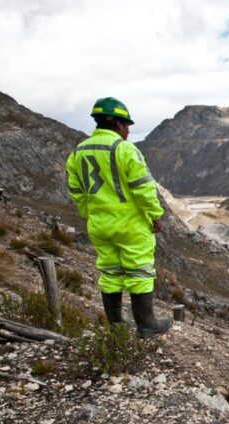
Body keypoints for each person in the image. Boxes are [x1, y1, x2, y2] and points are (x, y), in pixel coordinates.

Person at [66, 97, 172, 337]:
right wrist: (155, 216)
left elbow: (76, 192)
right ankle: (147, 325)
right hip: (130, 225)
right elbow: (143, 189)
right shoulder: (123, 149)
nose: (128, 130)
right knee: (140, 271)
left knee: (110, 271)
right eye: (126, 124)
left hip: (99, 224)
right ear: (117, 124)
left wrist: (91, 214)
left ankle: (116, 325)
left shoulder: (78, 152)